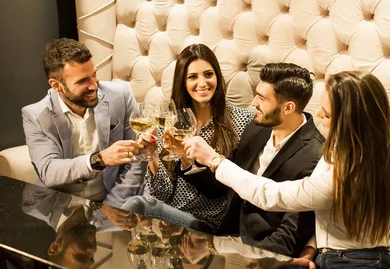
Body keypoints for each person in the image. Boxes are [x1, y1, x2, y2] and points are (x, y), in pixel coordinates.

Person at [184, 71, 390, 269]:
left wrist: (215, 161)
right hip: (327, 264)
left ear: (350, 122)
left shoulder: (350, 168)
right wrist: (312, 249)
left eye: (325, 114)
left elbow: (276, 196)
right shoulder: (335, 154)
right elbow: (331, 217)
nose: (317, 119)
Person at [202, 62, 325, 269]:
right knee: (142, 208)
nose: (252, 103)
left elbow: (290, 234)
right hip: (223, 235)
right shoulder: (257, 127)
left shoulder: (314, 155)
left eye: (261, 98)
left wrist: (241, 261)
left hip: (259, 250)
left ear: (288, 107)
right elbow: (225, 183)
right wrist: (189, 163)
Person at [124, 44, 254, 231]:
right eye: (193, 77)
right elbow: (162, 194)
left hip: (208, 221)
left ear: (217, 76)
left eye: (208, 74)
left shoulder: (240, 121)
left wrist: (185, 157)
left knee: (137, 204)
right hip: (171, 216)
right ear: (183, 82)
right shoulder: (170, 122)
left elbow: (223, 191)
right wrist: (152, 155)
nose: (202, 83)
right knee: (136, 204)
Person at [22, 38, 146, 205]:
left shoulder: (120, 96)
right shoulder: (35, 115)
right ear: (56, 85)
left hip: (114, 199)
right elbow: (49, 171)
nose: (93, 85)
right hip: (62, 205)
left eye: (93, 74)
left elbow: (137, 157)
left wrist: (112, 206)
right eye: (82, 81)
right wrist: (98, 160)